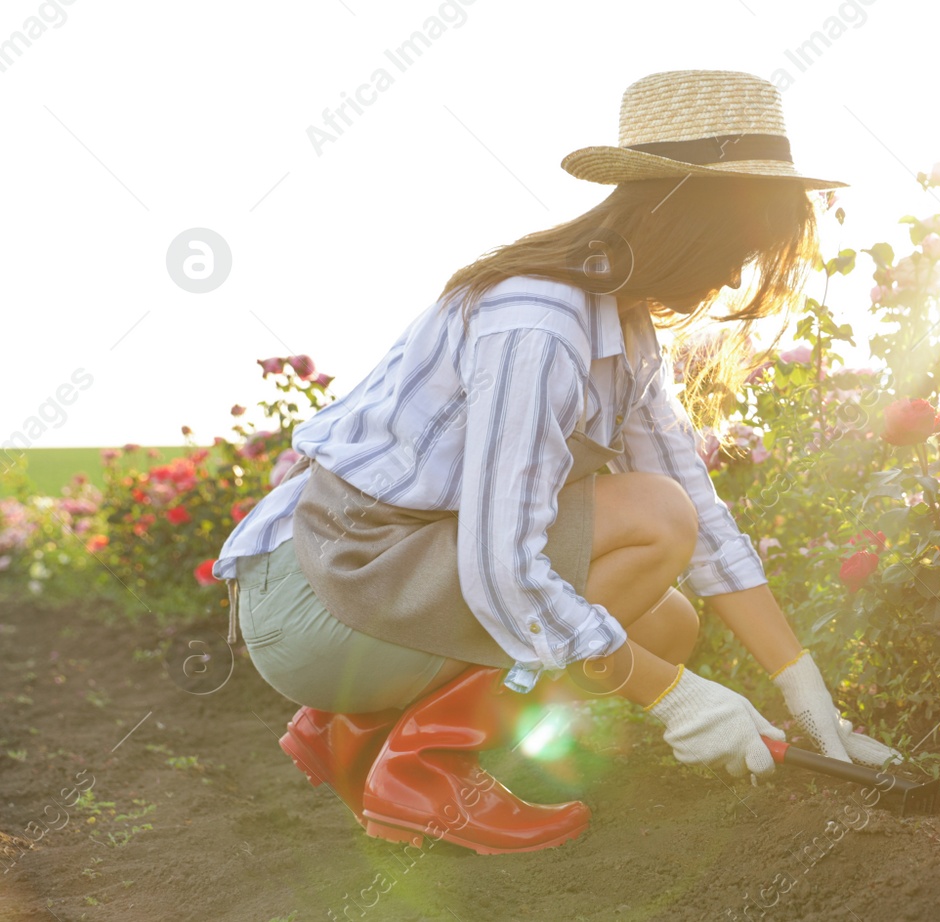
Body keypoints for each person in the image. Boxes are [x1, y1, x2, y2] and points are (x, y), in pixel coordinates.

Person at [211, 70, 900, 856]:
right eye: (743, 245)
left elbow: (704, 519)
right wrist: (676, 701)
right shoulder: (538, 322)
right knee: (650, 527)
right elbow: (505, 563)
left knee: (666, 620)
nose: (741, 275)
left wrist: (804, 694)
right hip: (325, 592)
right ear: (687, 219)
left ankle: (357, 729)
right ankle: (423, 767)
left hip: (385, 581)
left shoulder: (624, 326)